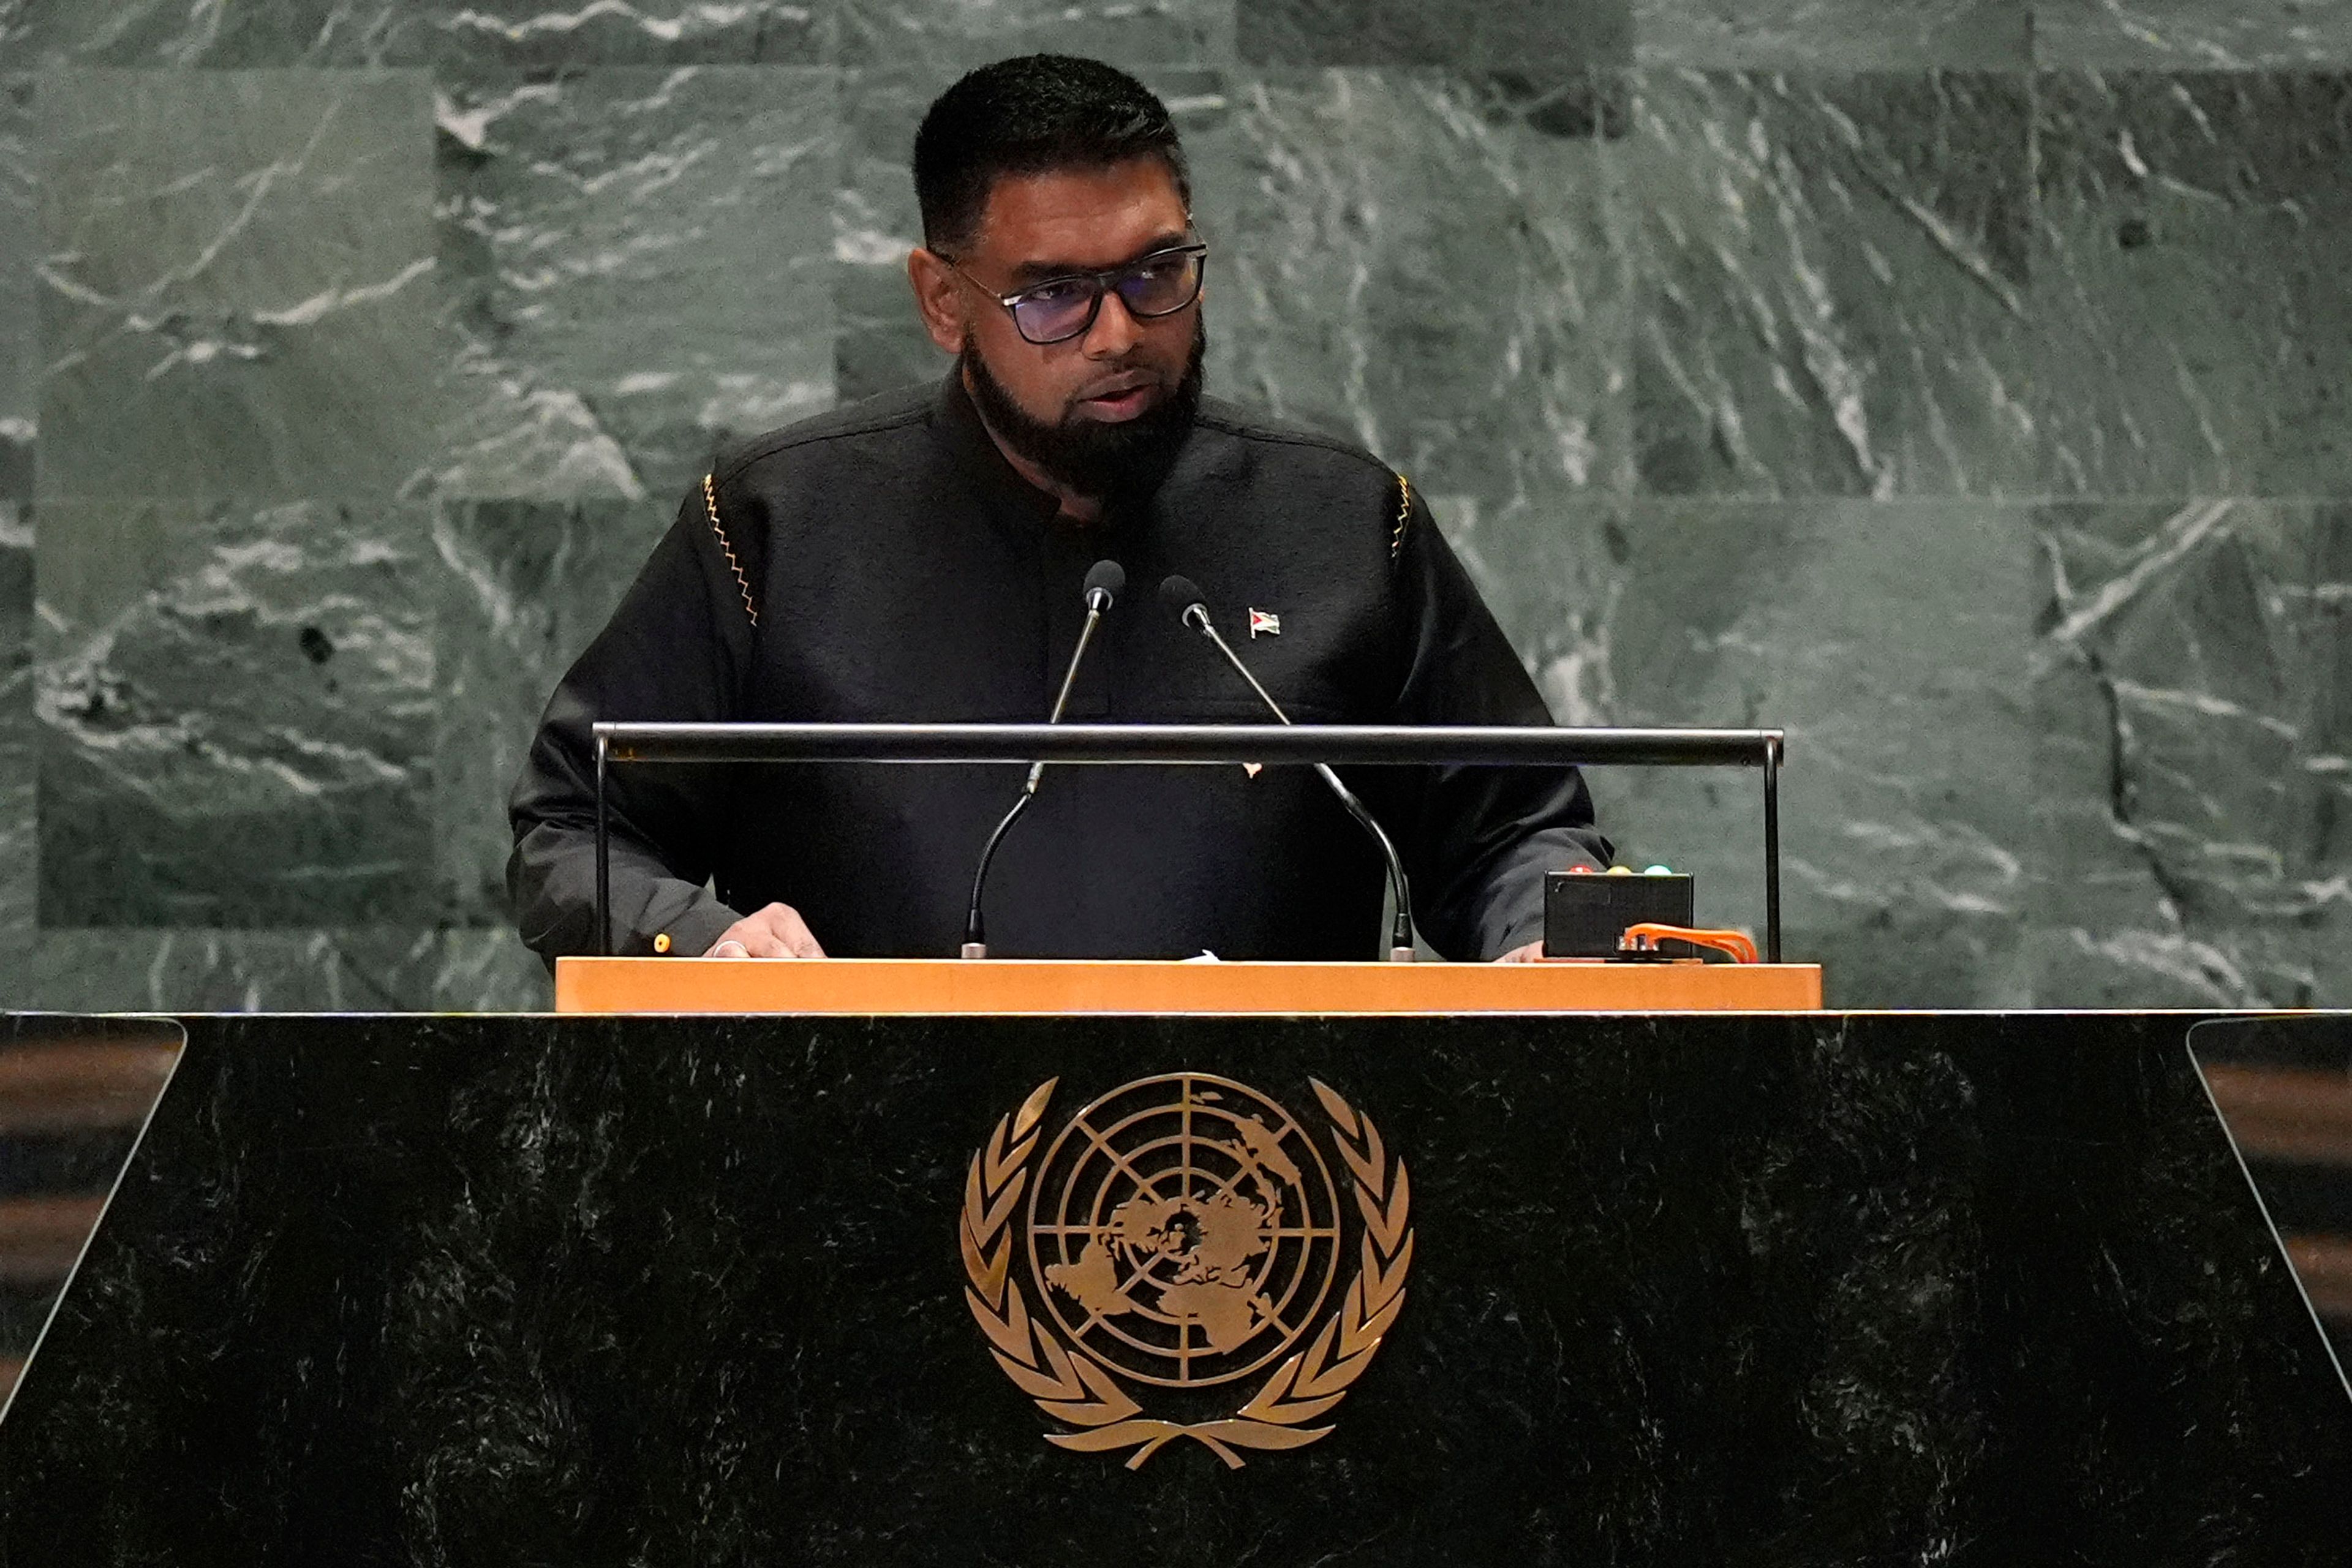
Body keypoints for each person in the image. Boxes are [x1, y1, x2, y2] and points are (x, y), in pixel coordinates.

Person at [508, 53, 1610, 966]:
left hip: (1269, 1182)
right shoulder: (780, 520)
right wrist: (704, 940)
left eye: (1157, 270)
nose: (1120, 331)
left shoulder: (1345, 520)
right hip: (854, 1177)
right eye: (1054, 295)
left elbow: (1519, 832)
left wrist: (1542, 937)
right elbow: (574, 833)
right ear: (945, 301)